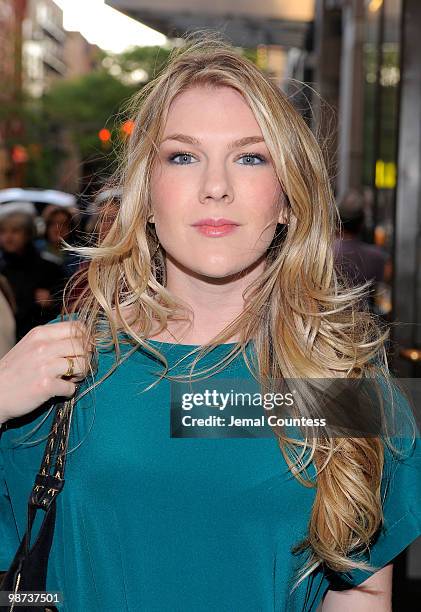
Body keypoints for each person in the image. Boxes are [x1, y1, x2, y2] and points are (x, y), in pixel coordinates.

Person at [1, 34, 420, 612]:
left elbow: (361, 587)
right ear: (146, 192)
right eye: (183, 156)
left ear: (288, 199)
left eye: (250, 157)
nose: (215, 187)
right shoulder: (64, 364)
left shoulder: (337, 373)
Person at [0, 210, 65, 341]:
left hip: (39, 338)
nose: (8, 237)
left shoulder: (50, 267)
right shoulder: (2, 268)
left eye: (15, 231)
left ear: (28, 234)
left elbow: (65, 303)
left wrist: (51, 300)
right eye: (3, 232)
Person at [334, 190, 391, 313]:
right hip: (360, 324)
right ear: (361, 224)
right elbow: (389, 278)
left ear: (337, 220)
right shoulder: (376, 257)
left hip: (327, 323)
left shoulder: (323, 252)